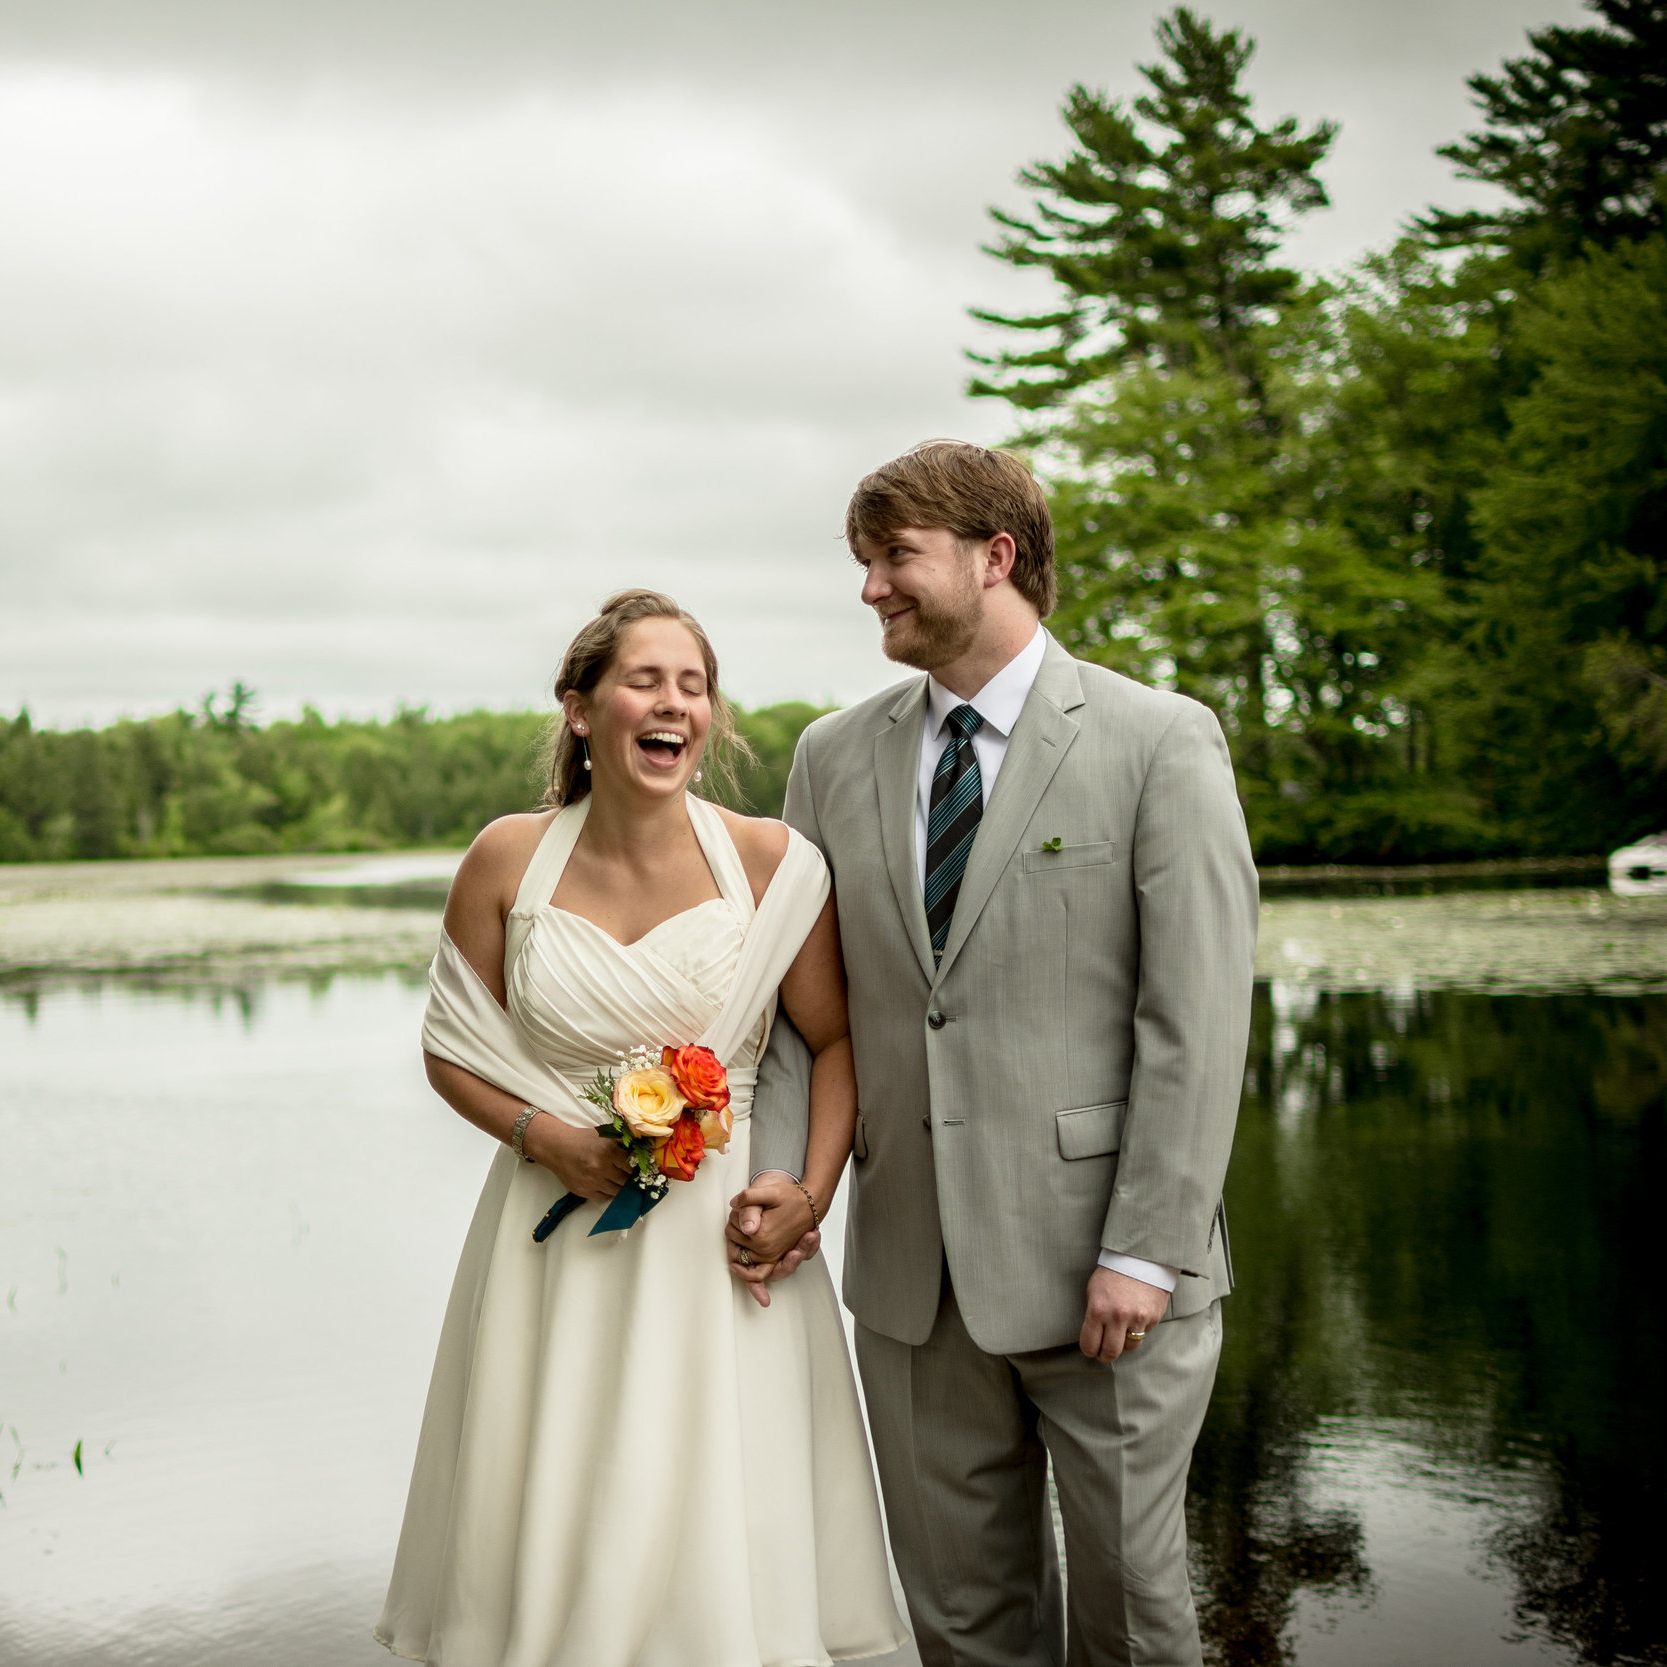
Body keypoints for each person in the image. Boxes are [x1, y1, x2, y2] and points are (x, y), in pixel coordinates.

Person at [731, 441, 1257, 1667]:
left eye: (893, 558)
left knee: (1132, 1623)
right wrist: (787, 1187)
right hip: (911, 1282)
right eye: (862, 563)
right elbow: (804, 1021)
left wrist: (1146, 1246)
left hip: (1108, 1280)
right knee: (960, 1626)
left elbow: (1196, 1017)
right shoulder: (830, 755)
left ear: (995, 555)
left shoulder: (1159, 740)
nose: (870, 588)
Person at [377, 589, 905, 1667]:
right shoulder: (504, 861)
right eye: (644, 679)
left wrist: (806, 1195)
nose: (674, 703)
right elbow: (449, 1046)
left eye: (694, 684)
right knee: (557, 1497)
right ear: (579, 708)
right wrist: (544, 1134)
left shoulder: (771, 862)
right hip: (551, 1238)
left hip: (725, 1246)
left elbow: (839, 1042)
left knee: (718, 1529)